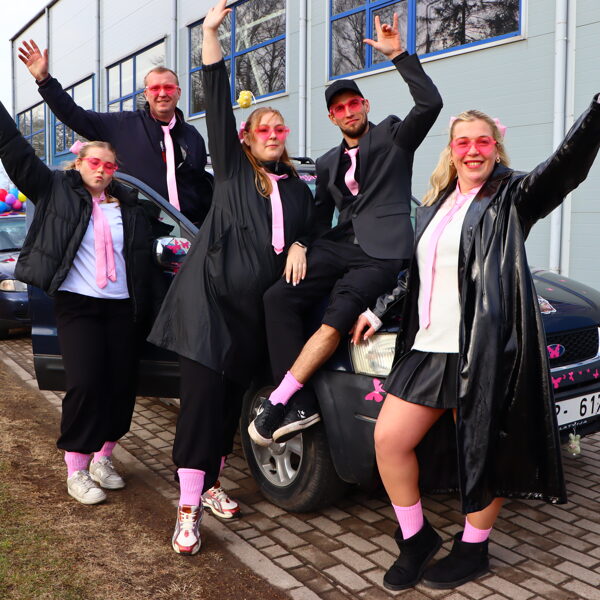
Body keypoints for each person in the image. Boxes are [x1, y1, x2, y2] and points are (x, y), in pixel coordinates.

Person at [351, 100, 600, 590]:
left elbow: (565, 167)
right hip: (427, 348)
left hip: (483, 351)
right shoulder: (435, 204)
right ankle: (416, 537)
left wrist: (596, 113)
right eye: (462, 142)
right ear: (451, 150)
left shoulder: (513, 197)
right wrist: (378, 309)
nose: (472, 150)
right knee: (389, 440)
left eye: (482, 141)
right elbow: (418, 273)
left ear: (496, 148)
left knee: (484, 454)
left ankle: (473, 547)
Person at [147, 0, 314, 555]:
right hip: (206, 309)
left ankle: (212, 483)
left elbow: (316, 233)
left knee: (226, 410)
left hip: (250, 320)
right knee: (199, 409)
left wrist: (302, 243)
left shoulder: (298, 189)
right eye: (263, 128)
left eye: (279, 127)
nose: (273, 133)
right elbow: (216, 94)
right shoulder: (234, 172)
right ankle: (187, 509)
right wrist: (212, 34)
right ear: (245, 137)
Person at [249, 14, 443, 446]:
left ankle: (280, 399)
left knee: (337, 317)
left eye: (354, 103)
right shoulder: (326, 163)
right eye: (339, 109)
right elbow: (320, 217)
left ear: (365, 106)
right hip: (337, 247)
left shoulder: (393, 136)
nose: (348, 111)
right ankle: (301, 404)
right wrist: (300, 243)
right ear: (332, 118)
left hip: (381, 254)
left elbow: (430, 104)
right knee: (277, 297)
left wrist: (399, 55)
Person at [0, 97, 164, 505]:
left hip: (123, 307)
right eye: (94, 162)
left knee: (121, 386)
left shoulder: (130, 207)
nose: (102, 170)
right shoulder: (56, 190)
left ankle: (104, 457)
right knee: (86, 383)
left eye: (109, 165)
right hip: (78, 305)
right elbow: (16, 151)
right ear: (79, 164)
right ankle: (76, 467)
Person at [17, 40, 212, 227]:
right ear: (146, 94)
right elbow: (75, 115)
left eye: (168, 87)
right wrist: (45, 81)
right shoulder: (122, 125)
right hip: (143, 230)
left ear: (178, 92)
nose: (162, 94)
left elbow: (201, 184)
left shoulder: (193, 136)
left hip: (191, 231)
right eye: (155, 88)